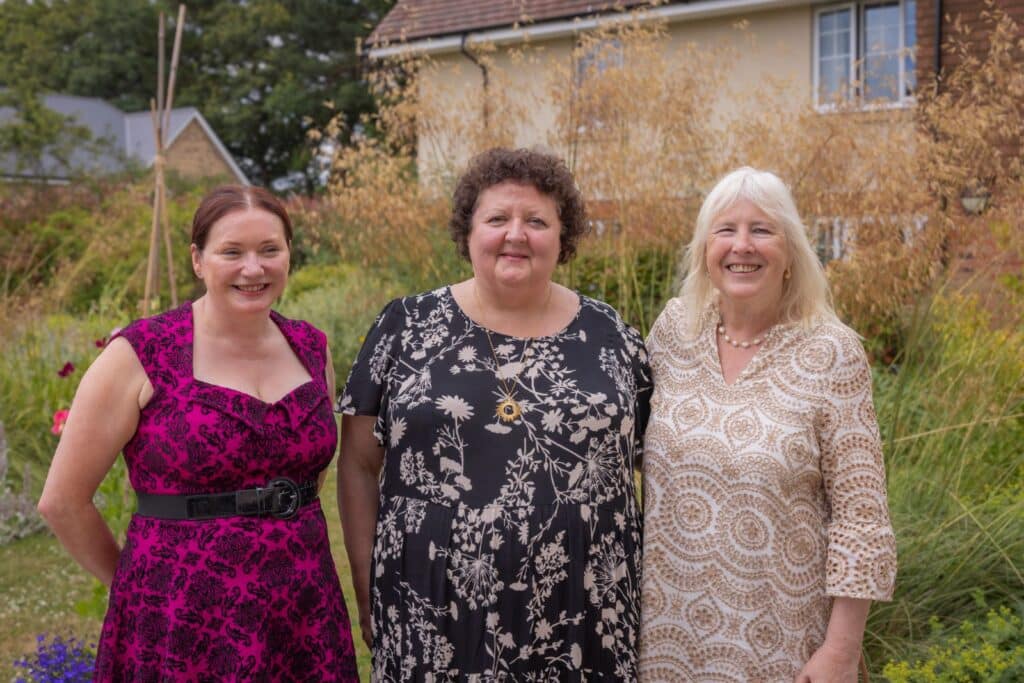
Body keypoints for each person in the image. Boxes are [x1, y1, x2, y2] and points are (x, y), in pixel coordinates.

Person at [338, 147, 651, 680]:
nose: (516, 234)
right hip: (430, 608)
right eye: (497, 218)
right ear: (468, 231)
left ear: (563, 235)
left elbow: (655, 460)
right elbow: (359, 465)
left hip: (583, 608)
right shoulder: (405, 326)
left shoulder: (611, 336)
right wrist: (368, 588)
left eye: (536, 221)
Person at [38, 185, 358, 681]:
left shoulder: (311, 347)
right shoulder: (141, 353)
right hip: (181, 612)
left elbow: (307, 478)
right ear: (197, 259)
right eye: (232, 252)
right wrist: (134, 586)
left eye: (270, 250)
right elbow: (62, 501)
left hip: (303, 604)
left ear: (288, 255)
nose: (254, 269)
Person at [638, 167, 897, 682]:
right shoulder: (673, 330)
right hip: (664, 639)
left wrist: (841, 652)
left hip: (779, 644)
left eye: (762, 230)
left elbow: (862, 520)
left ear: (791, 251)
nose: (742, 246)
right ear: (704, 250)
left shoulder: (831, 352)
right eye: (725, 230)